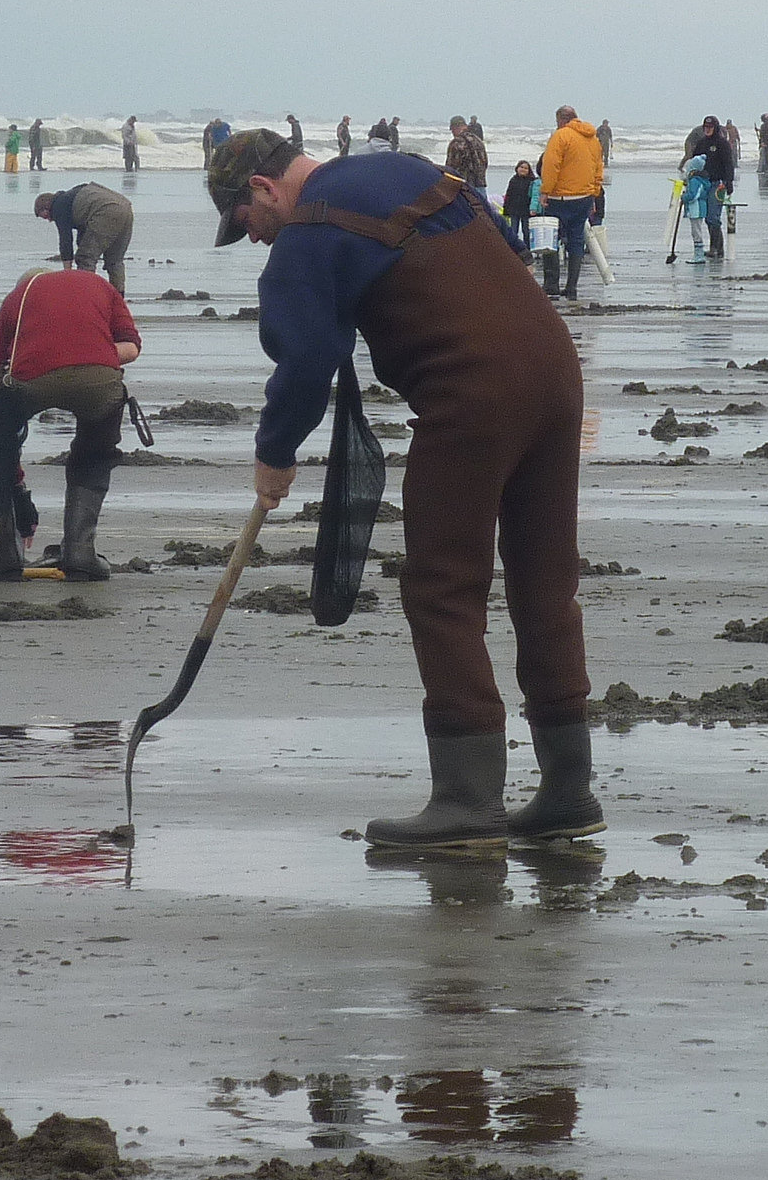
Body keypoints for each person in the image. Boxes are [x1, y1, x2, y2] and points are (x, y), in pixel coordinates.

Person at [207, 128, 597, 850]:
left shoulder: (308, 230)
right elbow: (507, 247)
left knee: (442, 585)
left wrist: (274, 454)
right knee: (544, 581)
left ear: (262, 190)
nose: (255, 239)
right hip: (555, 369)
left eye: (245, 224)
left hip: (472, 389)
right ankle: (569, 791)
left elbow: (307, 358)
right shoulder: (413, 172)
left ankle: (466, 799)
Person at [0, 264, 140, 582]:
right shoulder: (99, 284)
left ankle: (6, 550)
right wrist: (90, 354)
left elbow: (1, 373)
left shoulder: (18, 298)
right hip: (101, 377)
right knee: (94, 453)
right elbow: (132, 348)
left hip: (30, 376)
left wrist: (17, 487)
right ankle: (80, 554)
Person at [537, 105, 605, 299]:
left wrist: (545, 191)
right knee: (576, 240)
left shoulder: (561, 136)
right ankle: (571, 286)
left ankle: (551, 284)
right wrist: (594, 192)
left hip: (560, 197)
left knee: (551, 239)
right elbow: (598, 168)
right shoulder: (592, 138)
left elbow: (551, 166)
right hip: (583, 197)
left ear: (560, 120)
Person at [34, 183, 135, 292]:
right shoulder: (71, 198)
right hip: (126, 208)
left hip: (104, 210)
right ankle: (119, 297)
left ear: (47, 206)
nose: (49, 220)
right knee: (115, 260)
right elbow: (84, 235)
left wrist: (67, 273)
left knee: (85, 259)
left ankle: (86, 295)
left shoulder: (58, 205)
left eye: (44, 216)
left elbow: (65, 240)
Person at [684, 116, 735, 259]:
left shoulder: (722, 144)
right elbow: (694, 162)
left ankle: (716, 248)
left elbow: (728, 164)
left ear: (716, 128)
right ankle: (717, 248)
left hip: (718, 184)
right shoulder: (701, 143)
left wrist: (729, 182)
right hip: (703, 183)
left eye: (710, 127)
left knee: (713, 217)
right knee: (706, 217)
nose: (707, 130)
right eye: (705, 127)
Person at [501, 157, 537, 265]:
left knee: (526, 231)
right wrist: (506, 209)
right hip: (514, 210)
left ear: (529, 170)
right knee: (513, 230)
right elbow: (508, 195)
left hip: (526, 210)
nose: (523, 169)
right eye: (521, 167)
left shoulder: (532, 182)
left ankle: (527, 250)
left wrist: (533, 209)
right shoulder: (513, 180)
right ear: (517, 168)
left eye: (526, 168)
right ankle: (513, 250)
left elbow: (534, 196)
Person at [445, 115, 489, 189]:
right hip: (480, 184)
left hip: (464, 187)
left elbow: (451, 167)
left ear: (455, 127)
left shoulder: (456, 143)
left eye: (452, 130)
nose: (452, 133)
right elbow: (485, 162)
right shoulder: (478, 141)